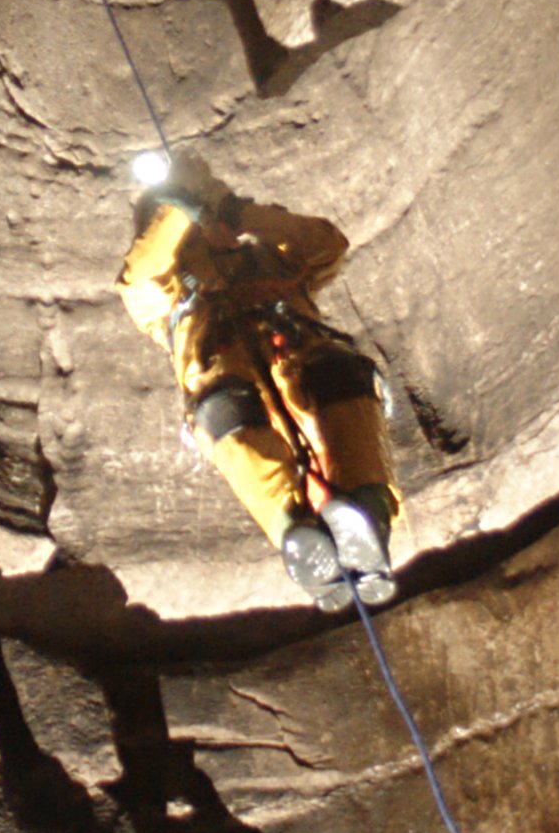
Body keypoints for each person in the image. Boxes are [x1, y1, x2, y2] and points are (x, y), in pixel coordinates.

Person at [116, 149, 402, 610]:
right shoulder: (165, 296)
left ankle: (367, 515)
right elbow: (141, 277)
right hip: (228, 373)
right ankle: (296, 533)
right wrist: (183, 208)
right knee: (227, 410)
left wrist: (238, 214)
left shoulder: (275, 258)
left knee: (341, 373)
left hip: (301, 361)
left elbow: (328, 243)